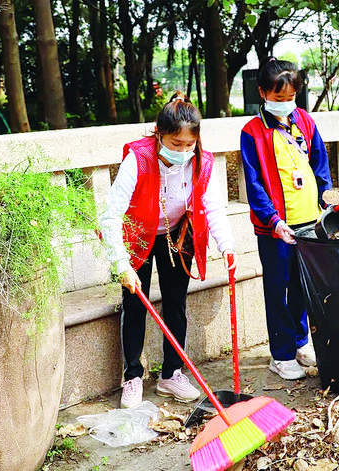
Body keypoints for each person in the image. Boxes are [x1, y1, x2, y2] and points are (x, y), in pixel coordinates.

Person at [99, 92, 236, 409]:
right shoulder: (139, 158)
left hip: (177, 234)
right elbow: (110, 215)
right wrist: (121, 263)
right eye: (176, 145)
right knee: (135, 302)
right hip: (137, 234)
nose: (184, 152)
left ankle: (171, 374)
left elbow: (212, 207)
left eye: (190, 145)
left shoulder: (201, 160)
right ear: (159, 134)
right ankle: (132, 376)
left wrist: (226, 246)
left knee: (176, 303)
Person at [240, 57, 332, 380]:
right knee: (278, 287)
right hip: (275, 227)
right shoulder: (252, 133)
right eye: (279, 98)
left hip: (308, 220)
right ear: (263, 93)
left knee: (301, 285)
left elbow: (320, 163)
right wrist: (273, 220)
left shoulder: (304, 121)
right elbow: (254, 184)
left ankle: (300, 341)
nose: (286, 104)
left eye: (291, 97)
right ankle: (280, 353)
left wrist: (326, 196)